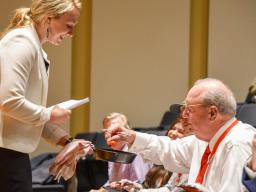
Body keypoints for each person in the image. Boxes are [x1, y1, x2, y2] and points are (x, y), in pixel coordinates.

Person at [0, 1, 93, 191]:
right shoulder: (22, 41)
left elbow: (26, 115)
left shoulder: (33, 46)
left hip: (12, 155)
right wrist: (50, 114)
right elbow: (9, 102)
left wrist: (66, 141)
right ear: (48, 18)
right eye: (69, 26)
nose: (72, 34)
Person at [106, 78, 256, 192]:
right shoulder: (204, 140)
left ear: (212, 112)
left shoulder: (237, 143)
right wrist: (131, 136)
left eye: (189, 110)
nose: (184, 116)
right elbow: (170, 149)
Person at [90, 112, 152, 192]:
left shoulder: (135, 152)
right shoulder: (113, 152)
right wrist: (101, 190)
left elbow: (139, 185)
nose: (110, 136)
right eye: (107, 132)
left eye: (115, 131)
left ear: (128, 131)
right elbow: (112, 182)